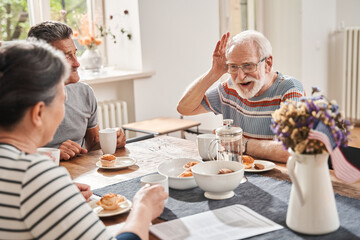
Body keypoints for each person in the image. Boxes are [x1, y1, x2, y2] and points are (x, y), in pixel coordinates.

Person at [0, 40, 167, 240]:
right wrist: (143, 209)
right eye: (62, 101)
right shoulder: (33, 176)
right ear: (38, 113)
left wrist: (60, 198)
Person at [177, 30, 304, 163]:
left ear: (267, 64)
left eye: (248, 65)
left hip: (279, 178)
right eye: (233, 66)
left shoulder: (289, 89)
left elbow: (294, 151)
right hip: (238, 174)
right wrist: (214, 72)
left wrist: (241, 144)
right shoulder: (229, 88)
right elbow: (185, 108)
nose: (240, 76)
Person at [27, 21, 126, 161]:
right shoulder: (20, 102)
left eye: (75, 53)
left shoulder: (85, 93)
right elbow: (10, 158)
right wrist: (52, 155)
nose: (77, 63)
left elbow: (93, 146)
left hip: (81, 176)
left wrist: (113, 140)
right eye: (67, 56)